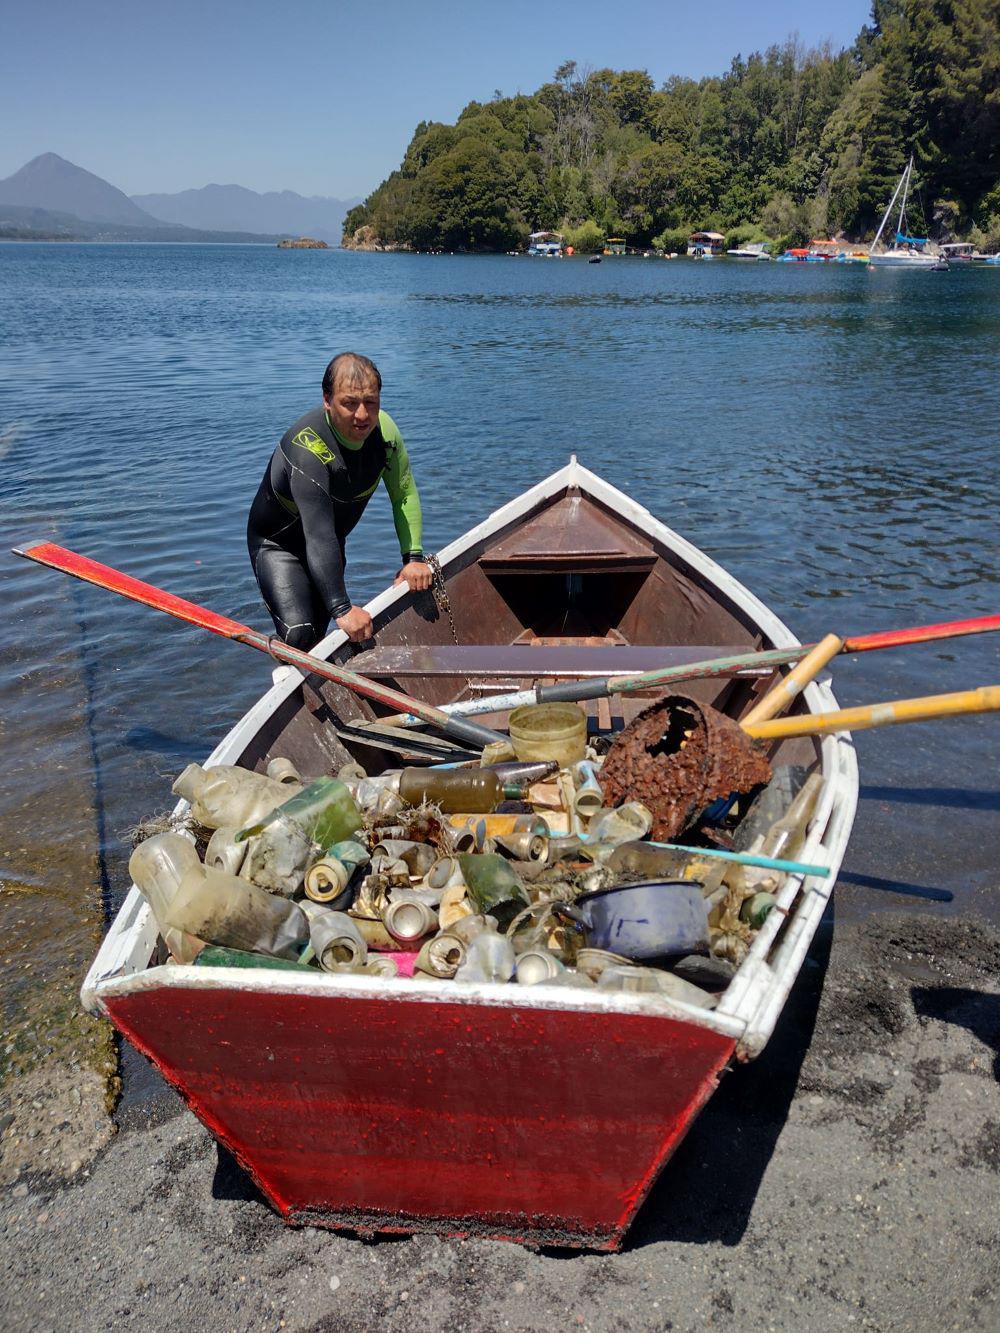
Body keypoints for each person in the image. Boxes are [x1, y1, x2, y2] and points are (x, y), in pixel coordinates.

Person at [247, 352, 431, 648]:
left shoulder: (386, 434)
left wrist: (413, 558)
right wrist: (343, 609)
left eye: (370, 402)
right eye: (349, 403)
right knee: (300, 636)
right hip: (279, 547)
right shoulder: (308, 449)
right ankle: (287, 665)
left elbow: (403, 494)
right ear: (327, 400)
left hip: (329, 541)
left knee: (321, 639)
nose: (362, 415)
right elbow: (317, 534)